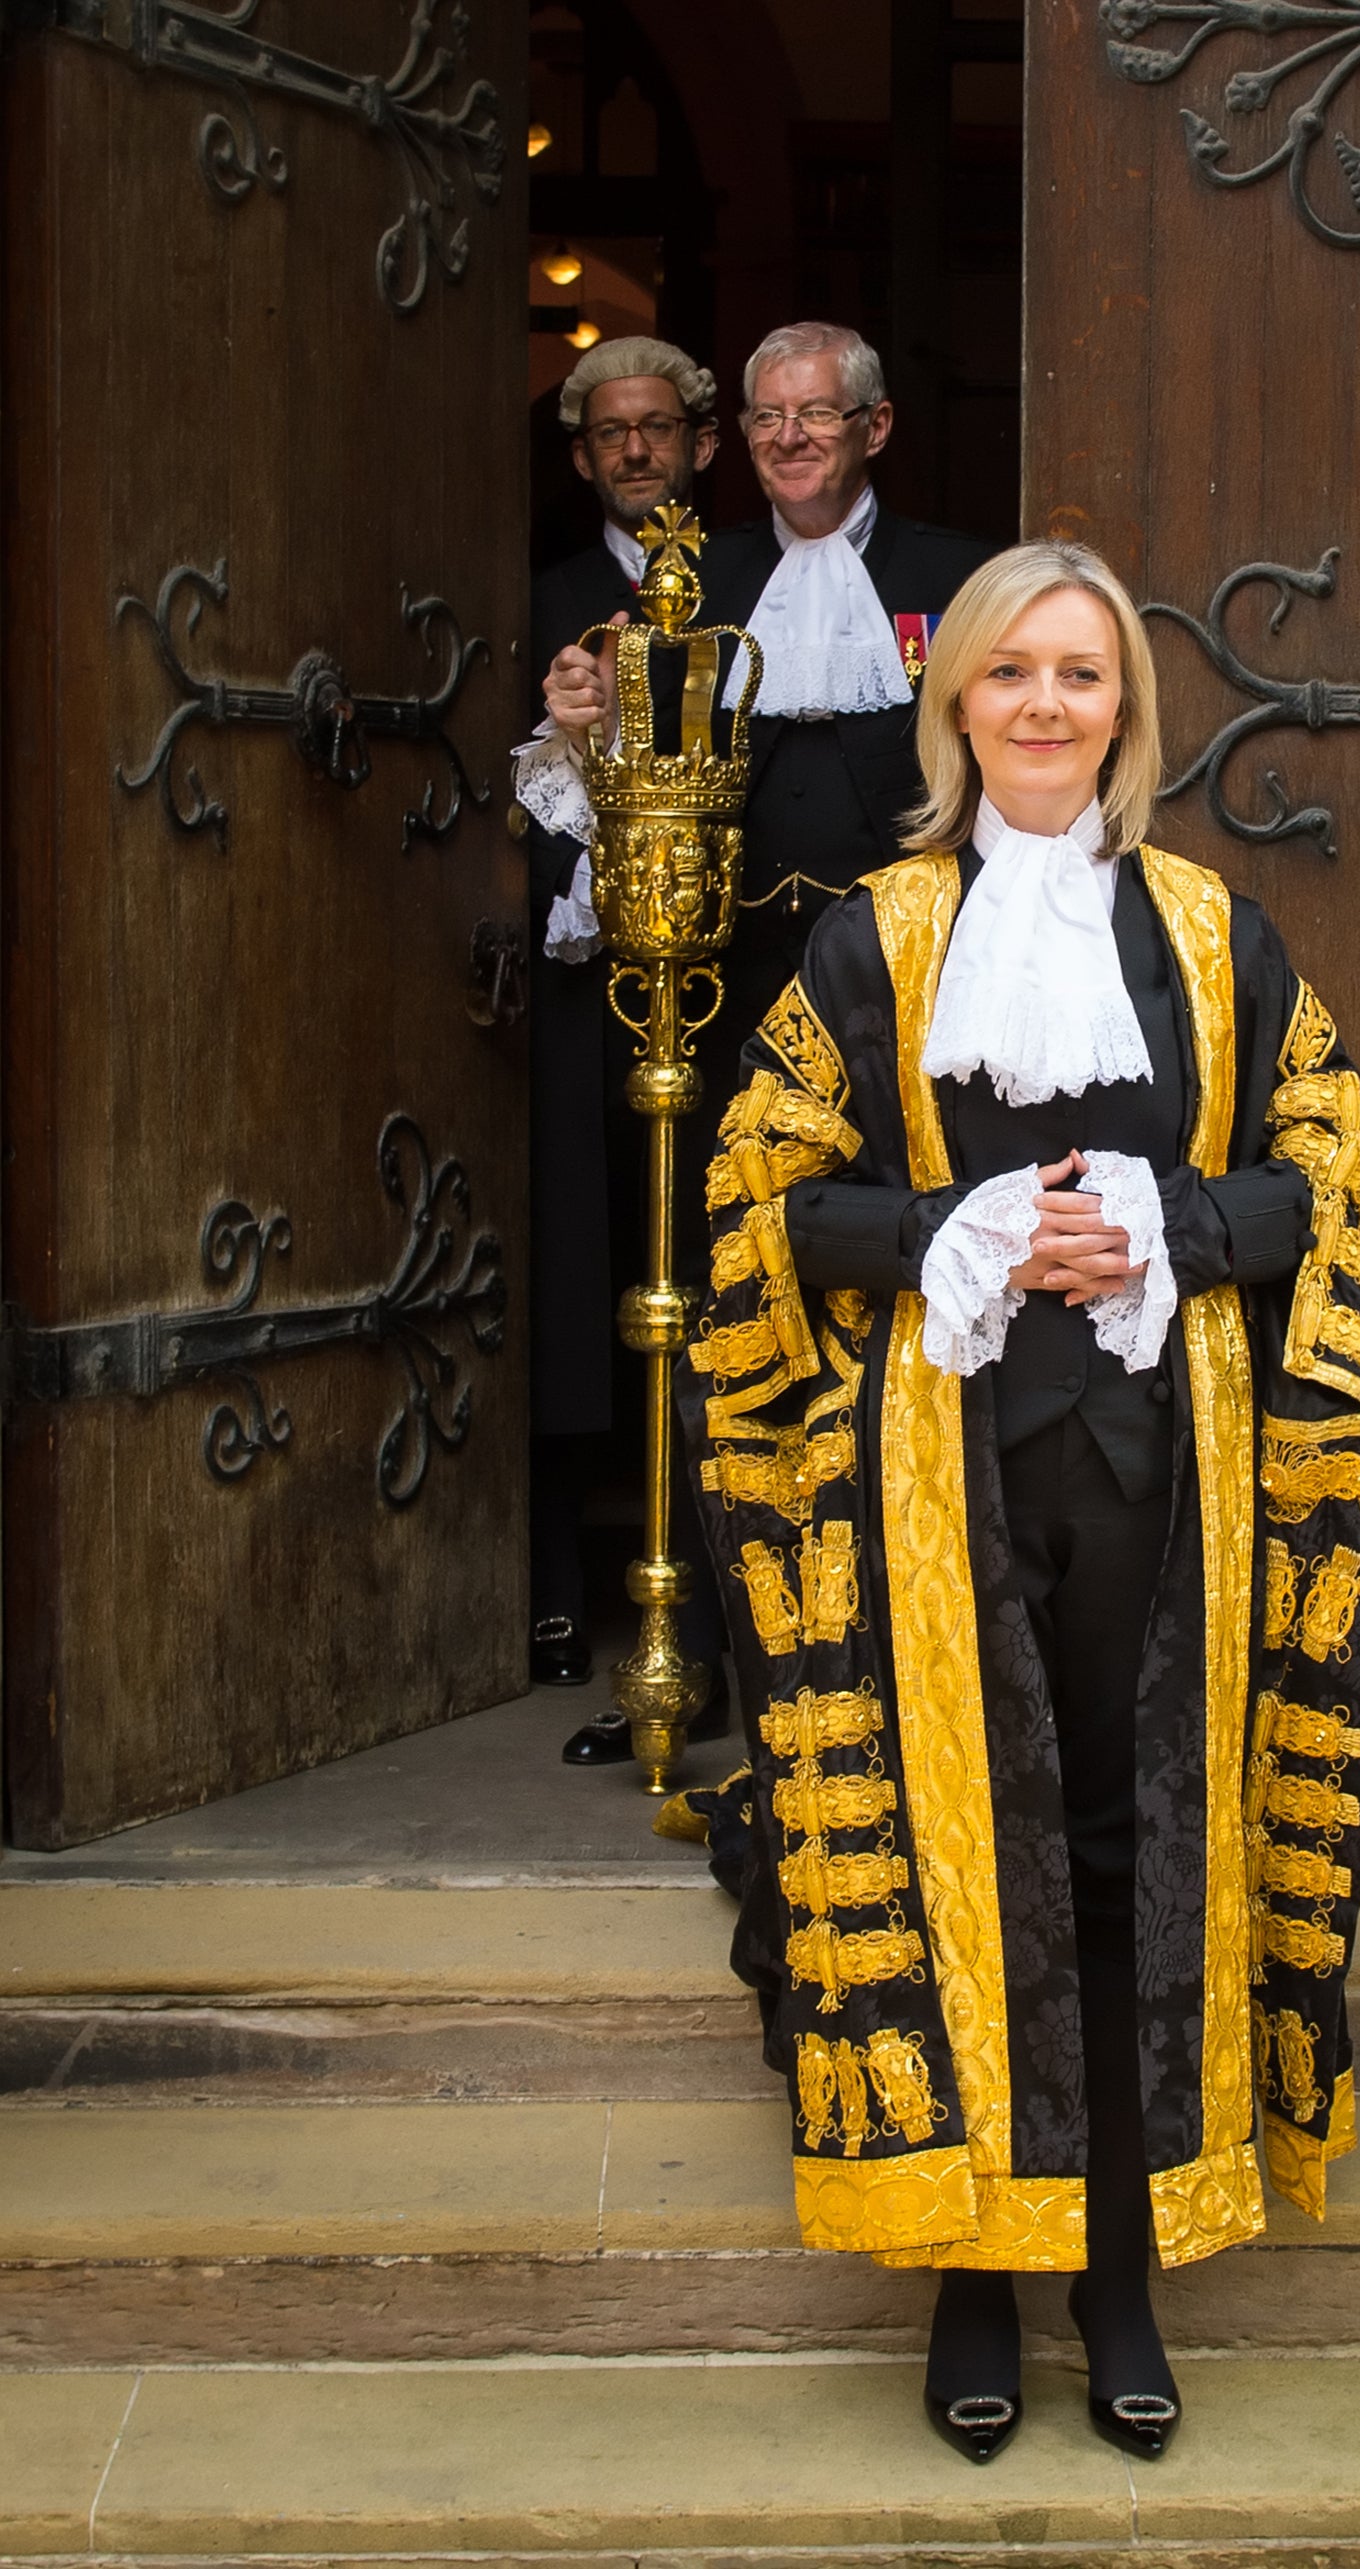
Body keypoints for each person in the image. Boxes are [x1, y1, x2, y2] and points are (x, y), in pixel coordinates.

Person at [674, 541, 1360, 2461]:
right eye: (1014, 674)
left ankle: (1121, 2270)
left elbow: (1324, 1168)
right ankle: (975, 2279)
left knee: (1116, 1840)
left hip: (1168, 1470)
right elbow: (763, 1204)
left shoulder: (1212, 932)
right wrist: (954, 1227)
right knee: (963, 1852)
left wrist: (1172, 1217)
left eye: (1084, 675)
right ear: (959, 706)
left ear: (1127, 712)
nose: (1050, 707)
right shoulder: (873, 939)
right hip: (947, 1475)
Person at [534, 322, 996, 1760]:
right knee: (723, 1309)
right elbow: (626, 789)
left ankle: (903, 1659)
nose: (792, 437)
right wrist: (579, 726)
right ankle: (706, 1666)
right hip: (725, 1004)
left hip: (902, 1002)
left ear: (875, 428)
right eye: (768, 415)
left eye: (819, 414)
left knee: (901, 1303)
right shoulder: (703, 578)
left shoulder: (949, 580)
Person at [516, 335, 723, 1756]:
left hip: (735, 982)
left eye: (658, 427)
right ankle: (555, 1585)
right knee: (589, 1266)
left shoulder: (756, 594)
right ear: (583, 455)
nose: (636, 449)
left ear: (697, 445)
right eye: (612, 432)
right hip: (594, 996)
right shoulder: (542, 604)